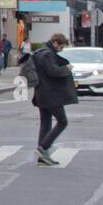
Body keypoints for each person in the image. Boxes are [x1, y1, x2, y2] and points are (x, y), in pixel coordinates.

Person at [31, 33, 78, 166]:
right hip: (50, 94)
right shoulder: (47, 54)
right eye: (61, 46)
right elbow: (53, 71)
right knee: (62, 121)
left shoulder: (40, 52)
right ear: (55, 43)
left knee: (46, 124)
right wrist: (66, 68)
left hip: (41, 93)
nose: (61, 50)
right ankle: (43, 148)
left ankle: (42, 156)